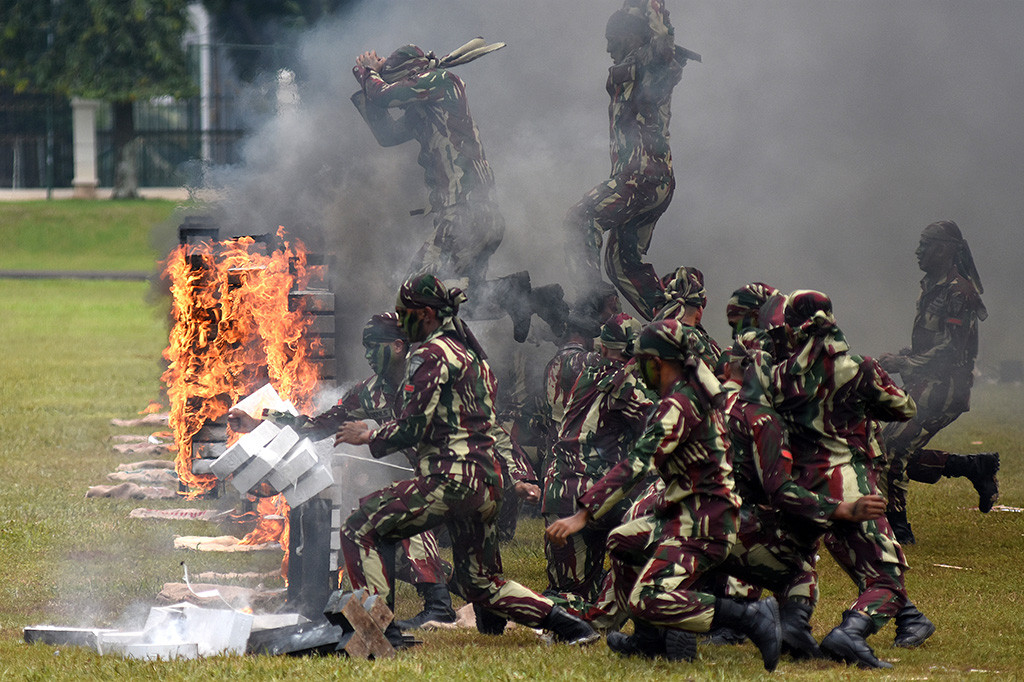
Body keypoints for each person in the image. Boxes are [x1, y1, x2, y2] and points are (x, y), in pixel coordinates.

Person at [335, 274, 598, 647]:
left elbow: (413, 424)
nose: (400, 319)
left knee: (361, 527)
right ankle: (573, 627)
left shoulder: (430, 354)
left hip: (449, 480)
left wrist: (369, 435)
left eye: (403, 312)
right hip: (486, 485)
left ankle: (380, 634)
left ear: (425, 314)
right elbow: (490, 427)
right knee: (480, 581)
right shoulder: (471, 356)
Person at [547, 320, 781, 671]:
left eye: (641, 360)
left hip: (704, 520)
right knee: (621, 541)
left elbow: (638, 462)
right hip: (682, 513)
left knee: (647, 599)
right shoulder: (688, 394)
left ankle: (750, 617)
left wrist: (583, 513)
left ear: (657, 362)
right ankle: (649, 639)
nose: (637, 367)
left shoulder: (681, 404)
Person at [227, 313, 456, 630]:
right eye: (365, 348)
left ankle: (439, 607)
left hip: (461, 471)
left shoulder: (430, 380)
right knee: (382, 528)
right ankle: (416, 599)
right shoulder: (371, 391)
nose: (367, 355)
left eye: (374, 346)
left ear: (400, 346)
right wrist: (260, 420)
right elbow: (320, 425)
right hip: (429, 477)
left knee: (405, 510)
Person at [351, 40, 564, 342]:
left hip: (465, 215)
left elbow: (386, 97)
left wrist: (367, 72)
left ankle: (429, 367)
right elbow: (386, 135)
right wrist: (370, 87)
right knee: (463, 303)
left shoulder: (442, 82)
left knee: (412, 297)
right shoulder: (425, 107)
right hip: (470, 217)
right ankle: (524, 297)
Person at [768, 290, 925, 669]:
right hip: (848, 483)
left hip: (800, 488)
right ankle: (850, 633)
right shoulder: (858, 367)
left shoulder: (778, 375)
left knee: (799, 561)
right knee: (886, 576)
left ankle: (794, 623)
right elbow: (904, 408)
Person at [565, 0, 696, 322]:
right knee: (622, 265)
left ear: (634, 35)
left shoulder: (654, 63)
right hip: (646, 178)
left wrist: (652, 7)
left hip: (643, 177)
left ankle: (593, 306)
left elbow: (663, 40)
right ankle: (677, 328)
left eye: (614, 37)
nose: (608, 46)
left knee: (579, 220)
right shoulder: (635, 65)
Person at [877, 220, 998, 545]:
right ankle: (974, 466)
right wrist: (907, 357)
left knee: (892, 449)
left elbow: (952, 348)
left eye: (926, 244)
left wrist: (903, 363)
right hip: (924, 384)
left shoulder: (958, 291)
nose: (919, 251)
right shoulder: (932, 285)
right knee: (884, 446)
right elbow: (934, 343)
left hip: (944, 390)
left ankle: (898, 532)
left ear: (944, 249)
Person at [542, 313, 651, 609]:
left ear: (601, 347)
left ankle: (508, 605)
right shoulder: (628, 386)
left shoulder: (587, 372)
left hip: (560, 491)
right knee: (660, 543)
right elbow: (659, 434)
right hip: (601, 494)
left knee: (569, 593)